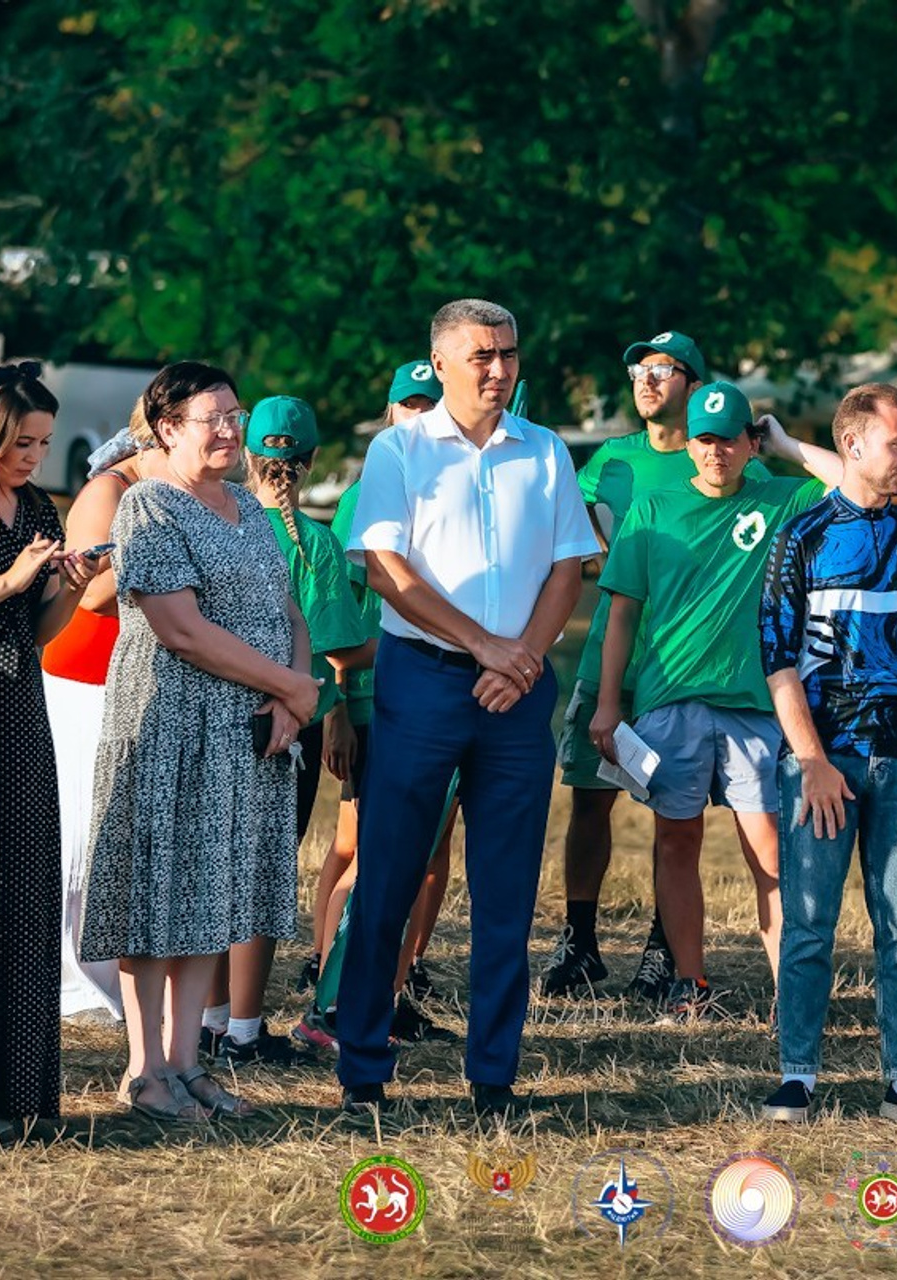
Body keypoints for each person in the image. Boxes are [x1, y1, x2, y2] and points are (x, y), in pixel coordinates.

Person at [338, 299, 598, 1117]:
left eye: (509, 354)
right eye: (482, 356)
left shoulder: (546, 450)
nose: (499, 369)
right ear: (441, 362)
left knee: (507, 888)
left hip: (516, 694)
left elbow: (570, 568)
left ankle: (493, 1076)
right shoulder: (399, 450)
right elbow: (385, 568)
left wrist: (518, 660)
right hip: (423, 681)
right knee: (388, 876)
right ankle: (363, 1071)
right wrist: (486, 647)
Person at [80, 361, 320, 1122]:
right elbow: (181, 631)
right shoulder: (148, 507)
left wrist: (295, 688)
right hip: (172, 725)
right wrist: (286, 687)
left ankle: (187, 1065)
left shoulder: (248, 506)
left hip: (246, 732)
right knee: (155, 897)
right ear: (166, 429)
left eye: (235, 415)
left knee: (210, 900)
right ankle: (145, 1072)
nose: (229, 430)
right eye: (210, 418)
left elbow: (285, 606)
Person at [590, 381, 840, 1022]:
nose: (716, 453)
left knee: (769, 852)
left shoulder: (780, 499)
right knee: (676, 842)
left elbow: (855, 484)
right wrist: (608, 704)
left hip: (753, 706)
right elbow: (622, 615)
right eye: (704, 440)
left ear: (748, 443)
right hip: (668, 701)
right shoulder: (651, 509)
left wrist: (786, 446)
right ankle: (690, 985)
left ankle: (794, 995)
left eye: (730, 439)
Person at [757, 382, 897, 1129]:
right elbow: (778, 663)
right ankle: (798, 1077)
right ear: (853, 445)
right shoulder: (802, 539)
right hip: (822, 766)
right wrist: (810, 760)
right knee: (809, 926)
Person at [197, 395, 375, 1067]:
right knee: (260, 878)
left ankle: (209, 1020)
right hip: (286, 724)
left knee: (215, 871)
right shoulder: (316, 542)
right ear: (309, 463)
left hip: (216, 714)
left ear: (248, 453)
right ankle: (245, 1030)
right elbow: (340, 647)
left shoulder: (216, 521)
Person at [294, 359, 458, 1049]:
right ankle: (332, 991)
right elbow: (343, 620)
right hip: (373, 695)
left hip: (425, 690)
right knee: (366, 851)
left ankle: (389, 988)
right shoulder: (373, 488)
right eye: (409, 404)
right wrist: (336, 707)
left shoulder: (449, 478)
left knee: (420, 854)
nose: (420, 415)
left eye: (431, 403)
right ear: (389, 413)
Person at [544, 330, 709, 999]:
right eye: (638, 369)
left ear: (694, 383)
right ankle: (579, 943)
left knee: (677, 816)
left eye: (662, 369)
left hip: (684, 666)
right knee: (590, 798)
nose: (645, 380)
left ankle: (663, 950)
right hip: (606, 661)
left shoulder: (725, 458)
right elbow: (569, 524)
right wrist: (594, 552)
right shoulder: (611, 460)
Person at [0, 360, 102, 1141]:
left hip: (21, 705)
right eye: (22, 442)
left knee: (27, 893)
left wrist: (66, 583)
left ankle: (22, 1097)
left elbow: (42, 634)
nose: (35, 456)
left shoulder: (36, 506)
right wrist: (7, 580)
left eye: (43, 442)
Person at [42, 402, 166, 1024]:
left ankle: (109, 972)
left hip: (136, 680)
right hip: (81, 676)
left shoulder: (184, 493)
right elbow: (86, 591)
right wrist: (147, 545)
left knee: (118, 833)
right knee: (83, 830)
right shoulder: (109, 488)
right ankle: (72, 980)